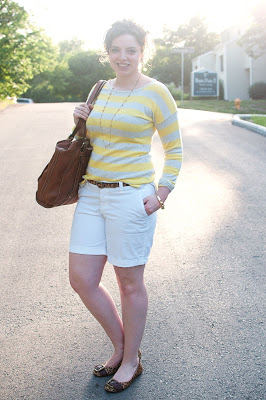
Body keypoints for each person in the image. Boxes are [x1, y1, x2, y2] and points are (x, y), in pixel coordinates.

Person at [69, 19, 183, 393]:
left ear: (142, 52)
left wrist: (162, 192)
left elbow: (175, 150)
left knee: (129, 283)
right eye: (116, 49)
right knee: (82, 279)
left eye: (130, 50)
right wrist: (79, 121)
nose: (123, 57)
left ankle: (131, 360)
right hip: (91, 194)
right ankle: (120, 347)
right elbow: (87, 141)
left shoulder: (156, 92)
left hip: (131, 196)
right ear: (108, 52)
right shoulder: (100, 89)